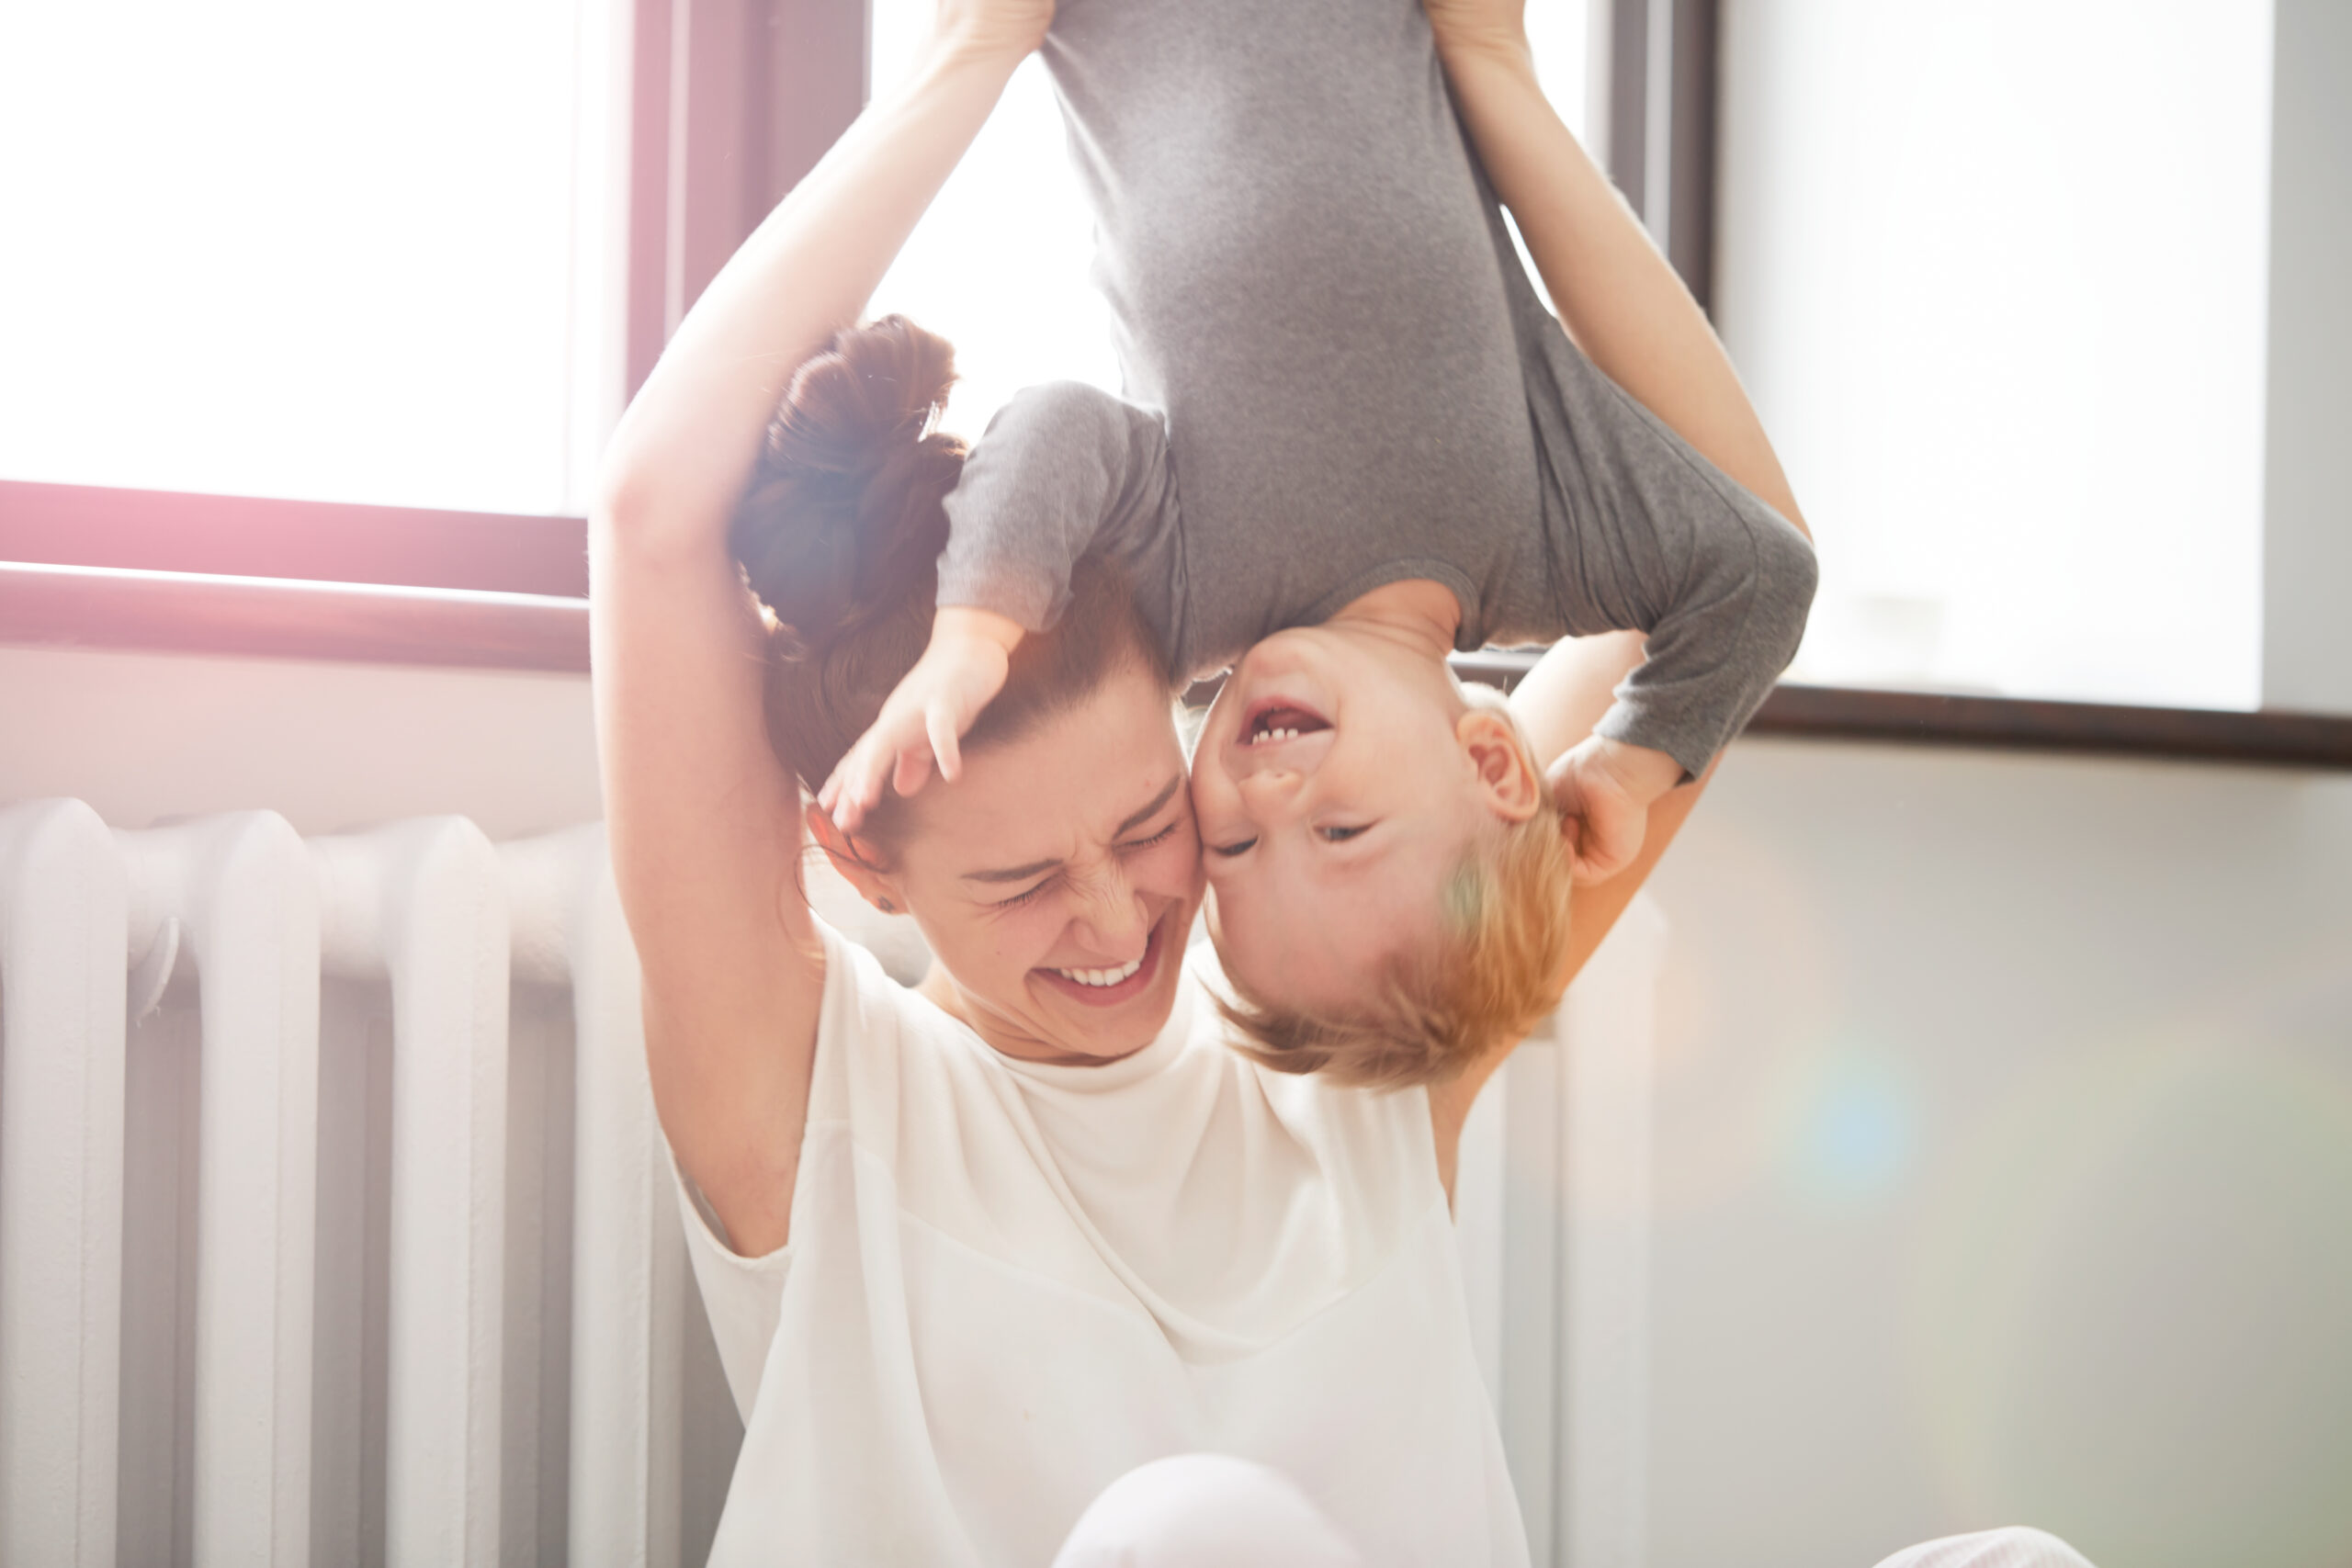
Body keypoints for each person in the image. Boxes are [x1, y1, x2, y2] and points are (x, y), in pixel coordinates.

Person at [816, 0, 1818, 1089]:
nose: (1266, 802)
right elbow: (1761, 572)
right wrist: (1633, 763)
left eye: (1233, 853)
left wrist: (976, 630)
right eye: (1341, 832)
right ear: (1488, 762)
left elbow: (1058, 426)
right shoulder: (1546, 547)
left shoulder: (1191, 598)